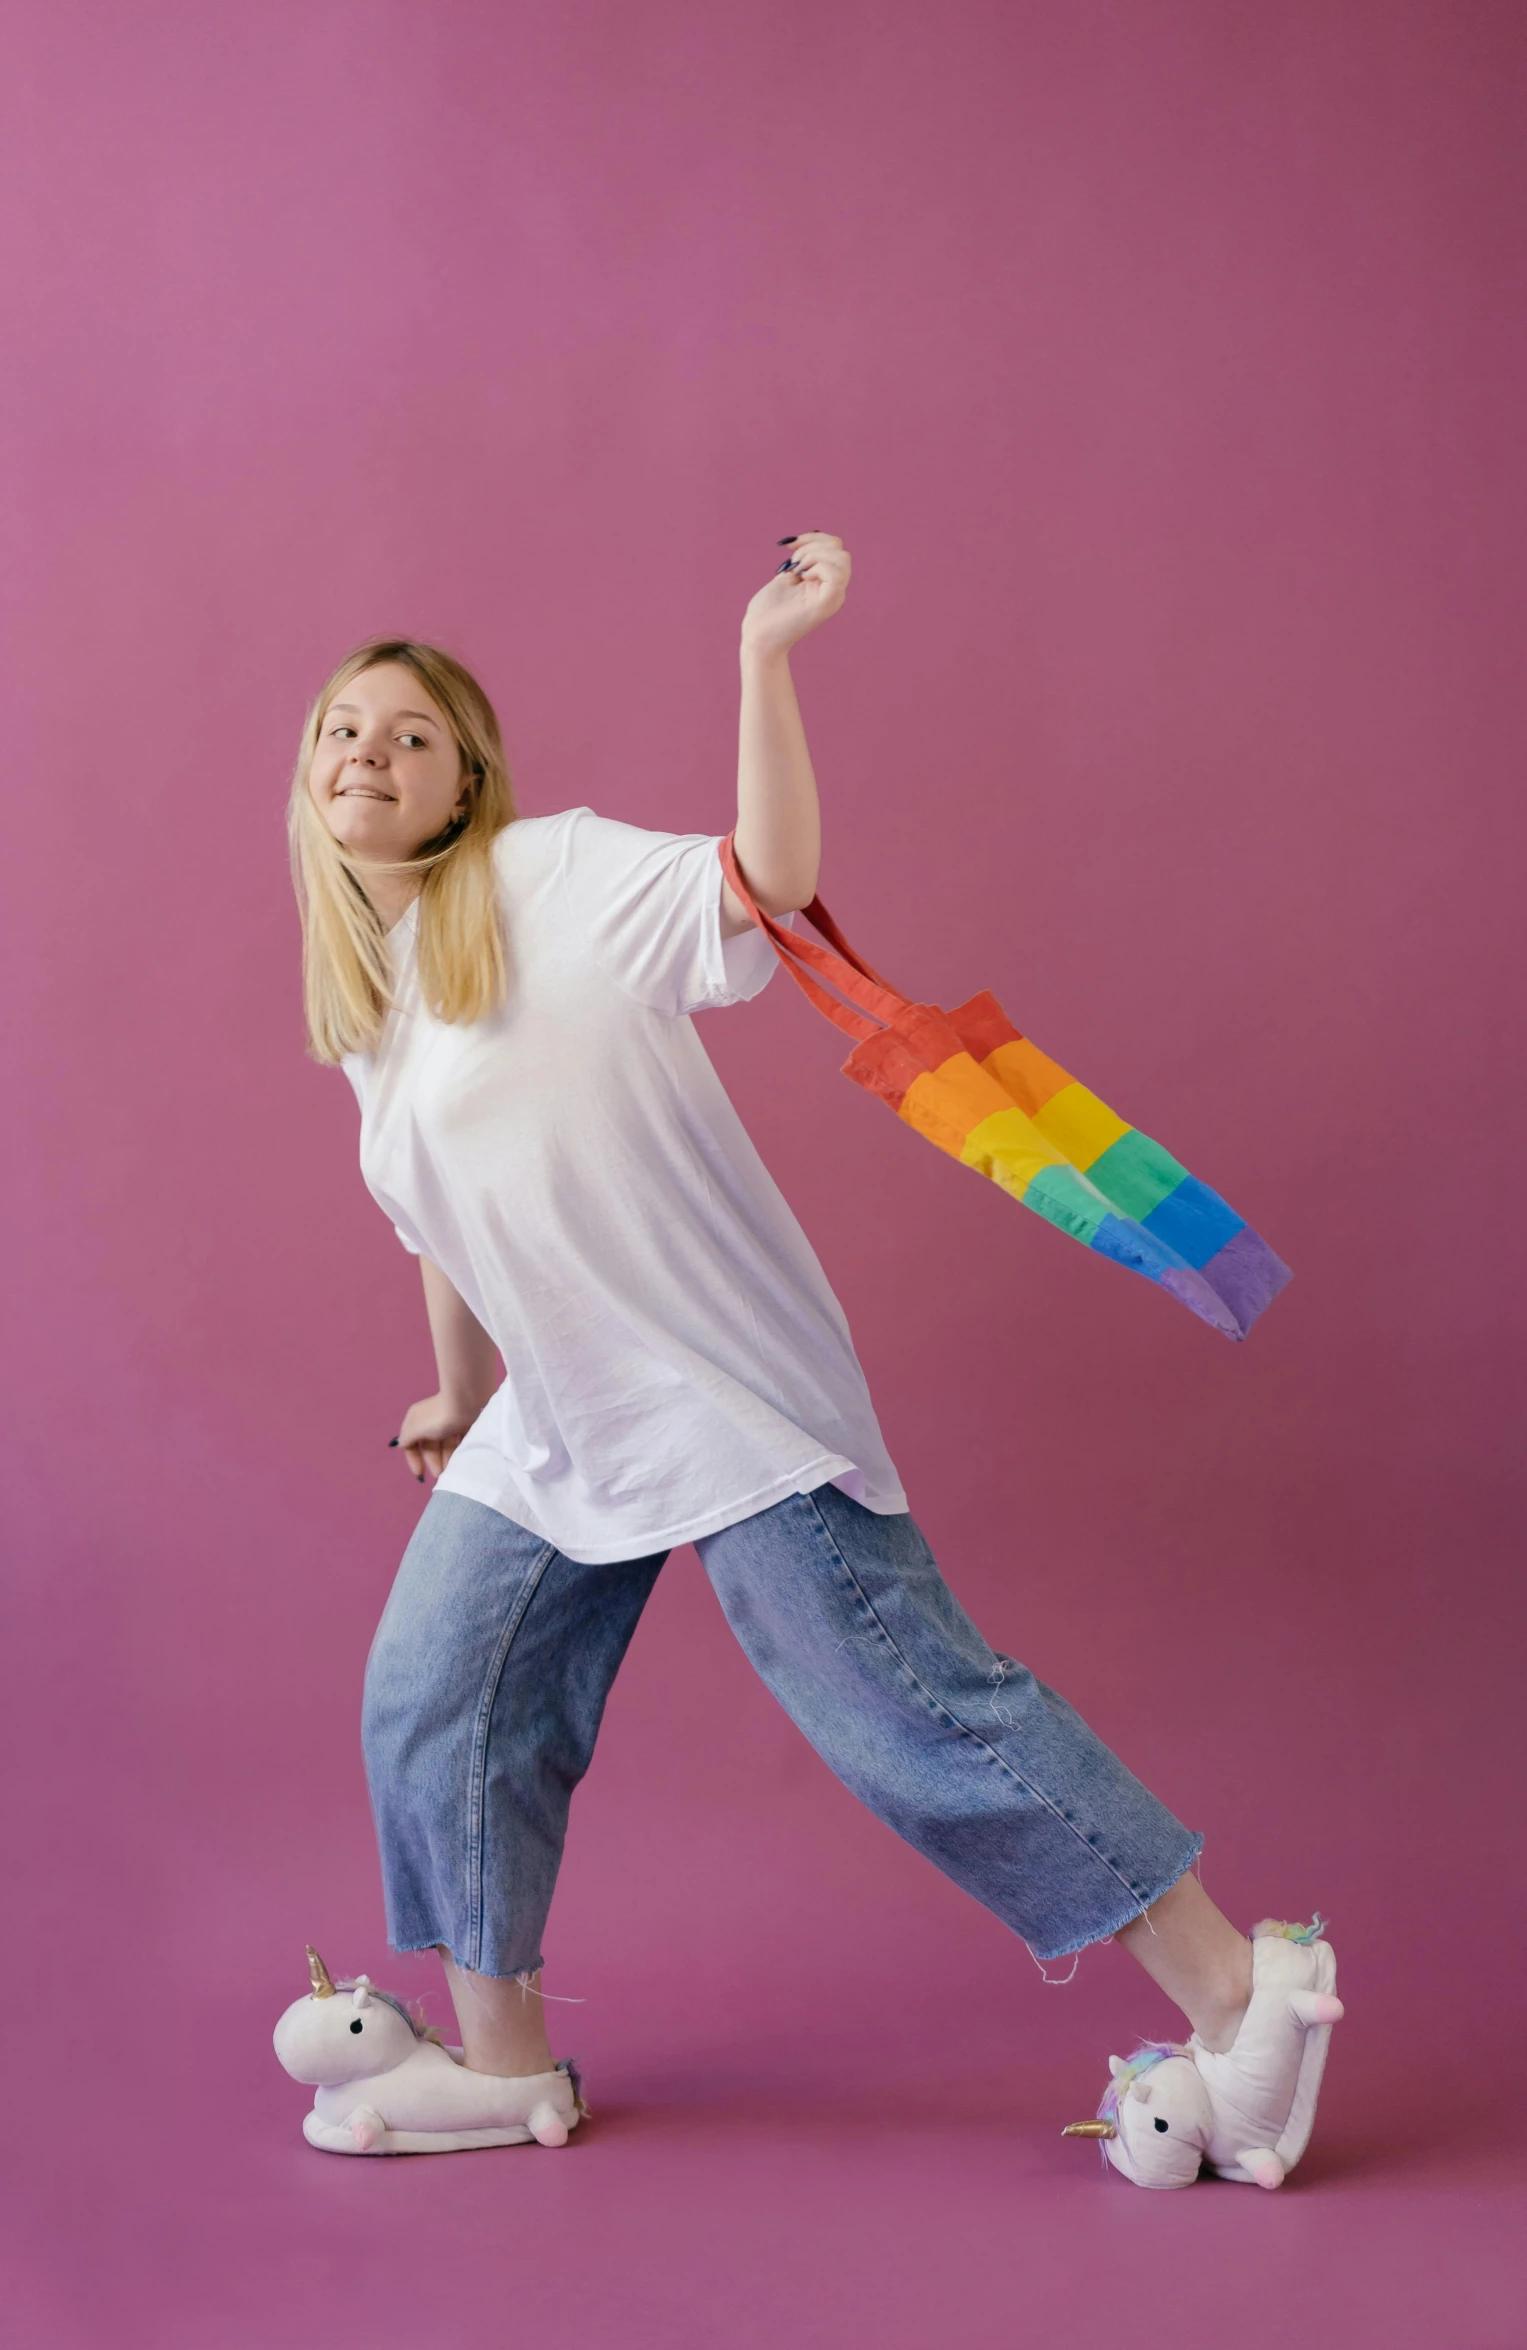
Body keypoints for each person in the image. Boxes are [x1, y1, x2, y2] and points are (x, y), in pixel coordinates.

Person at [285, 533, 1337, 2181]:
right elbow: (449, 1223)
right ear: (310, 781)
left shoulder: (546, 877)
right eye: (345, 728)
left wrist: (763, 660)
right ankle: (501, 2065)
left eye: (410, 733)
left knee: (903, 1706)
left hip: (715, 1391)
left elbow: (762, 878)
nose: (370, 750)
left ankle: (1243, 2001)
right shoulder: (375, 1009)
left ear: (465, 780)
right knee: (436, 1697)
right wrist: (458, 1392)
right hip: (558, 1420)